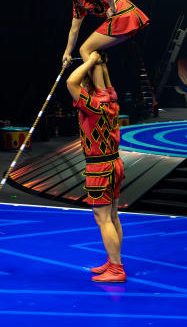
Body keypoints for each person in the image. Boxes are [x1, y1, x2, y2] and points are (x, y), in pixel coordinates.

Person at [66, 51, 125, 282]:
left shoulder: (92, 105)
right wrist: (99, 63)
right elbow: (105, 85)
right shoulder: (111, 101)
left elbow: (71, 81)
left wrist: (89, 61)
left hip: (99, 168)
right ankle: (114, 261)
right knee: (113, 215)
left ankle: (117, 269)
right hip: (115, 164)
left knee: (104, 220)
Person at [53, 0, 149, 67]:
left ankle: (96, 84)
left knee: (85, 50)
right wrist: (67, 52)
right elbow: (74, 30)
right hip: (126, 15)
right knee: (91, 51)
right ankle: (101, 84)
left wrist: (112, 7)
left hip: (122, 14)